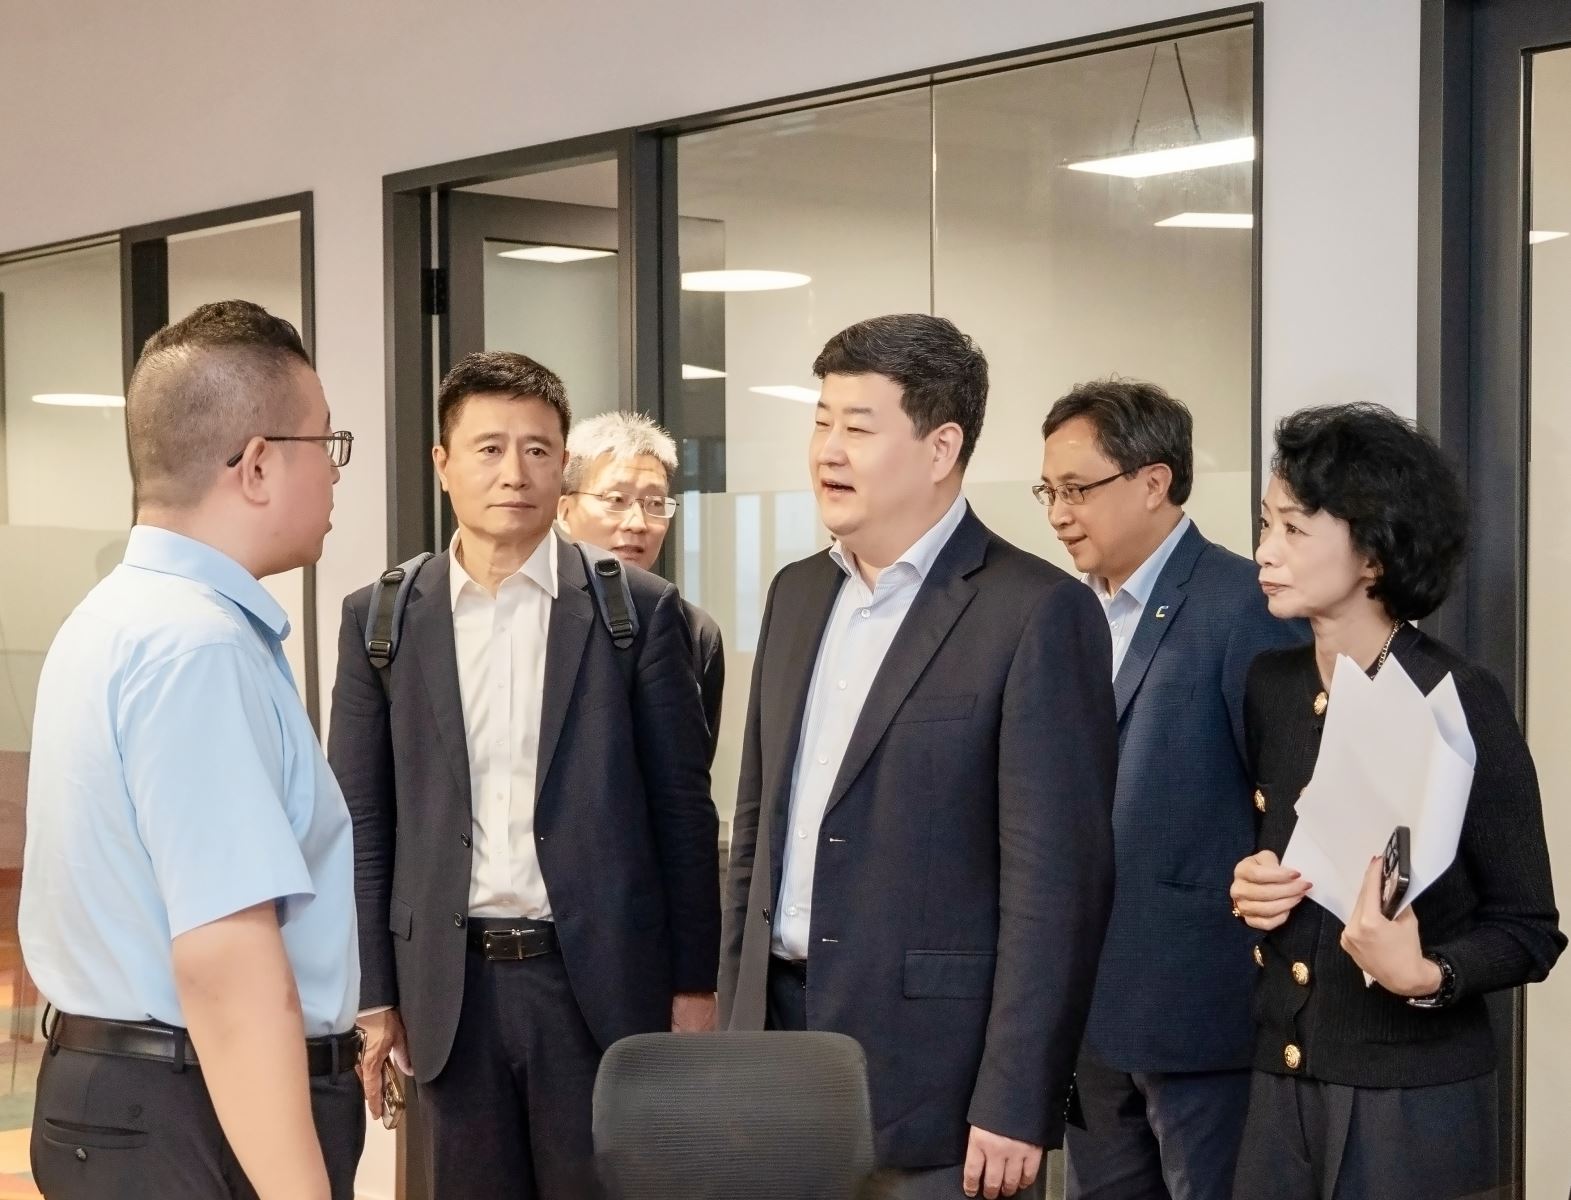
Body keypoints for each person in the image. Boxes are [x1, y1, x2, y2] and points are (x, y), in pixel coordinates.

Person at [719, 313, 1117, 1200]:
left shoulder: (1033, 612)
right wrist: (731, 1031)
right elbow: (756, 834)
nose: (828, 450)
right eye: (821, 421)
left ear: (941, 448)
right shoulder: (795, 593)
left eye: (858, 428)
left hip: (937, 1084)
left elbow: (1057, 890)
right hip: (774, 1057)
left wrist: (1016, 1096)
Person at [330, 351, 719, 1199]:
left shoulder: (637, 611)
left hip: (597, 986)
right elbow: (362, 821)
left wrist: (695, 989)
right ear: (443, 464)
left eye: (538, 450)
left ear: (562, 467)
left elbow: (682, 815)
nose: (515, 472)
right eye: (489, 448)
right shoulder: (381, 618)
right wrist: (373, 994)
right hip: (448, 991)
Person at [18, 300, 362, 1199]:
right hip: (193, 1109)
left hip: (130, 1099)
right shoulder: (197, 646)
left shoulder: (114, 618)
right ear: (257, 465)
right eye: (325, 442)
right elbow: (225, 964)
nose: (335, 471)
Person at [1228, 403, 1565, 1199]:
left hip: (1411, 1097)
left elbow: (1529, 930)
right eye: (1266, 524)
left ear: (1372, 555)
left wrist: (1423, 973)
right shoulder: (1270, 685)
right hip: (1281, 1082)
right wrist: (1247, 887)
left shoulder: (1456, 695)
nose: (1264, 551)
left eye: (1293, 529)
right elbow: (1273, 852)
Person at [1039, 380, 1304, 1200]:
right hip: (1083, 1011)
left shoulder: (1242, 605)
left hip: (1199, 1014)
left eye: (1077, 489)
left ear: (1153, 481)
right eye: (1048, 492)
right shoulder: (1061, 613)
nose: (1058, 514)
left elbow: (1291, 804)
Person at [557, 410, 725, 762]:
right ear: (565, 511)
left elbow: (690, 769)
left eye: (654, 504)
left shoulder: (694, 630)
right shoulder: (537, 608)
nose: (638, 523)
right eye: (615, 500)